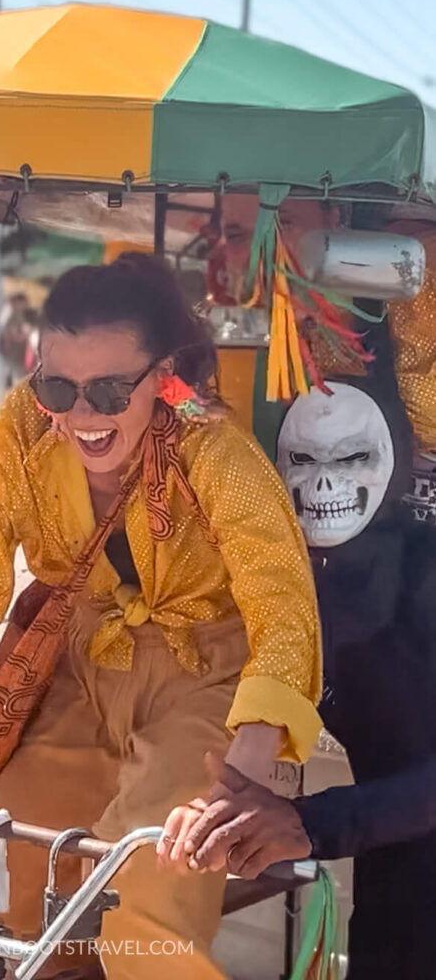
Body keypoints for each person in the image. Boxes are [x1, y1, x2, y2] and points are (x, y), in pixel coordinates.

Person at [0, 255, 322, 980]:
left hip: (204, 688)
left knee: (150, 906)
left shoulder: (214, 452)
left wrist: (238, 786)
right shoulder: (20, 435)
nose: (82, 414)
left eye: (109, 389)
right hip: (82, 674)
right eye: (58, 385)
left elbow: (283, 607)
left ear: (163, 375)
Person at [181, 368, 436, 980]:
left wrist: (312, 823)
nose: (324, 482)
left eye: (352, 456)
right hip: (395, 898)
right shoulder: (295, 582)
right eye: (302, 457)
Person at [0, 291, 31, 387]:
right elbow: (9, 332)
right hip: (12, 351)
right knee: (16, 375)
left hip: (17, 351)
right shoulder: (10, 314)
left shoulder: (16, 313)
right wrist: (24, 336)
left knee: (18, 374)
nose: (24, 305)